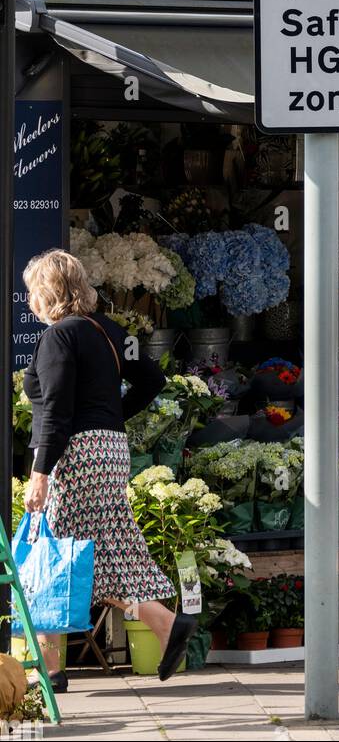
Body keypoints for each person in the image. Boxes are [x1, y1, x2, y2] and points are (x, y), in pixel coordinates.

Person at [21, 249, 197, 692]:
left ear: (47, 292)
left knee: (56, 552)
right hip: (110, 449)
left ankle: (54, 668)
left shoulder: (59, 336)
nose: (29, 302)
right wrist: (112, 415)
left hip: (75, 454)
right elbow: (153, 380)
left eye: (31, 292)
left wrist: (40, 473)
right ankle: (156, 628)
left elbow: (57, 411)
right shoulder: (111, 331)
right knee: (94, 550)